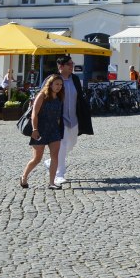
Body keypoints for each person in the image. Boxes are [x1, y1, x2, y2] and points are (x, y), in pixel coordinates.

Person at [46, 56, 93, 185]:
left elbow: (79, 97)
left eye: (72, 63)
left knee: (72, 143)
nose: (72, 66)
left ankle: (51, 162)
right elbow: (45, 96)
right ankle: (58, 174)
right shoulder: (53, 79)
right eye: (69, 64)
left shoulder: (75, 79)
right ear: (60, 66)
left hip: (74, 118)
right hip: (59, 119)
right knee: (61, 146)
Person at [22, 74, 66, 189]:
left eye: (60, 85)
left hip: (54, 130)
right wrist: (35, 129)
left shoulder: (60, 97)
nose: (59, 87)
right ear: (50, 84)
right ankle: (24, 177)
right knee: (37, 158)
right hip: (40, 129)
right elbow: (34, 114)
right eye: (56, 84)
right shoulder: (42, 96)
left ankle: (52, 182)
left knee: (55, 156)